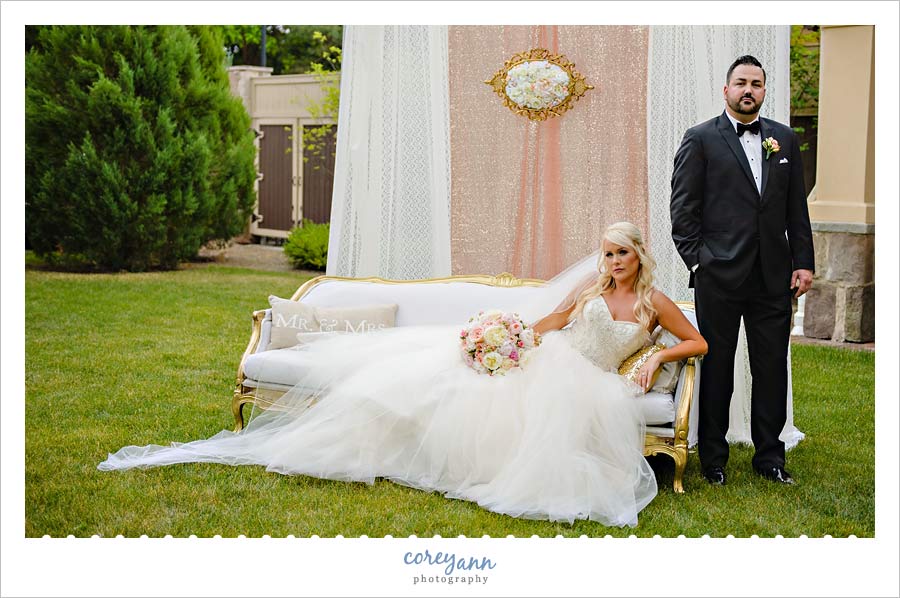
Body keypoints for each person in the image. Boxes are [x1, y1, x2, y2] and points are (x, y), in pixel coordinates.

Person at [99, 222, 706, 527]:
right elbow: (551, 319)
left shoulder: (656, 303)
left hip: (589, 380)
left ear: (639, 256)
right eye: (605, 252)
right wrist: (516, 337)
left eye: (621, 253)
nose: (612, 262)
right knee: (455, 382)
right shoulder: (591, 288)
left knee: (529, 414)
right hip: (552, 357)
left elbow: (696, 340)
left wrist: (654, 355)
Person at [669, 55, 814, 487]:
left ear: (764, 90)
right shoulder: (699, 139)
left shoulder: (784, 140)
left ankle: (770, 457)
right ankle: (714, 459)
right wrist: (700, 263)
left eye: (757, 83)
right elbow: (683, 211)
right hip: (719, 277)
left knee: (771, 368)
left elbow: (796, 210)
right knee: (718, 368)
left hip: (774, 275)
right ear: (726, 89)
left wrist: (803, 262)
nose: (749, 89)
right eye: (741, 83)